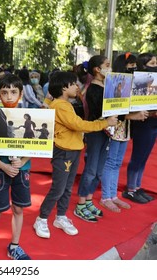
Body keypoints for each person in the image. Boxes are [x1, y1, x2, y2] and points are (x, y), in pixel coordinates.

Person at [33, 71, 117, 239]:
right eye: (73, 84)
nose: (77, 86)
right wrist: (104, 123)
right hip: (64, 152)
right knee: (58, 188)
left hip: (72, 150)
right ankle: (41, 218)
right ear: (64, 88)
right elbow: (77, 124)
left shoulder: (64, 103)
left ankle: (61, 216)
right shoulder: (61, 105)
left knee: (67, 187)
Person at [0, 74, 31, 260]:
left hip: (23, 170)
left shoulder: (31, 116)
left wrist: (23, 161)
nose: (9, 97)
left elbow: (37, 145)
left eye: (13, 92)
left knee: (19, 209)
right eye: (5, 92)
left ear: (21, 94)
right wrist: (2, 165)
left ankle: (15, 246)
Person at [100, 52, 149, 212]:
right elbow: (113, 108)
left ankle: (113, 195)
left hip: (126, 128)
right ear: (123, 65)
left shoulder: (133, 83)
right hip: (115, 128)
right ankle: (106, 196)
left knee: (117, 163)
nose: (134, 68)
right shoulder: (113, 83)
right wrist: (134, 115)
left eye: (135, 65)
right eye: (131, 65)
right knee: (111, 162)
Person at [75, 55, 114, 222]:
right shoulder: (93, 89)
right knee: (90, 169)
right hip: (95, 132)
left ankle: (89, 200)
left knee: (99, 170)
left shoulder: (109, 87)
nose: (110, 68)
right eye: (107, 65)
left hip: (107, 131)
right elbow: (97, 112)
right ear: (97, 69)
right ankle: (81, 204)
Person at [123, 52, 157, 203]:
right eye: (152, 64)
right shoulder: (136, 83)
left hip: (153, 123)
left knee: (144, 157)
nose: (155, 67)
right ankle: (130, 189)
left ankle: (137, 186)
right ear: (143, 66)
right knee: (137, 157)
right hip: (142, 123)